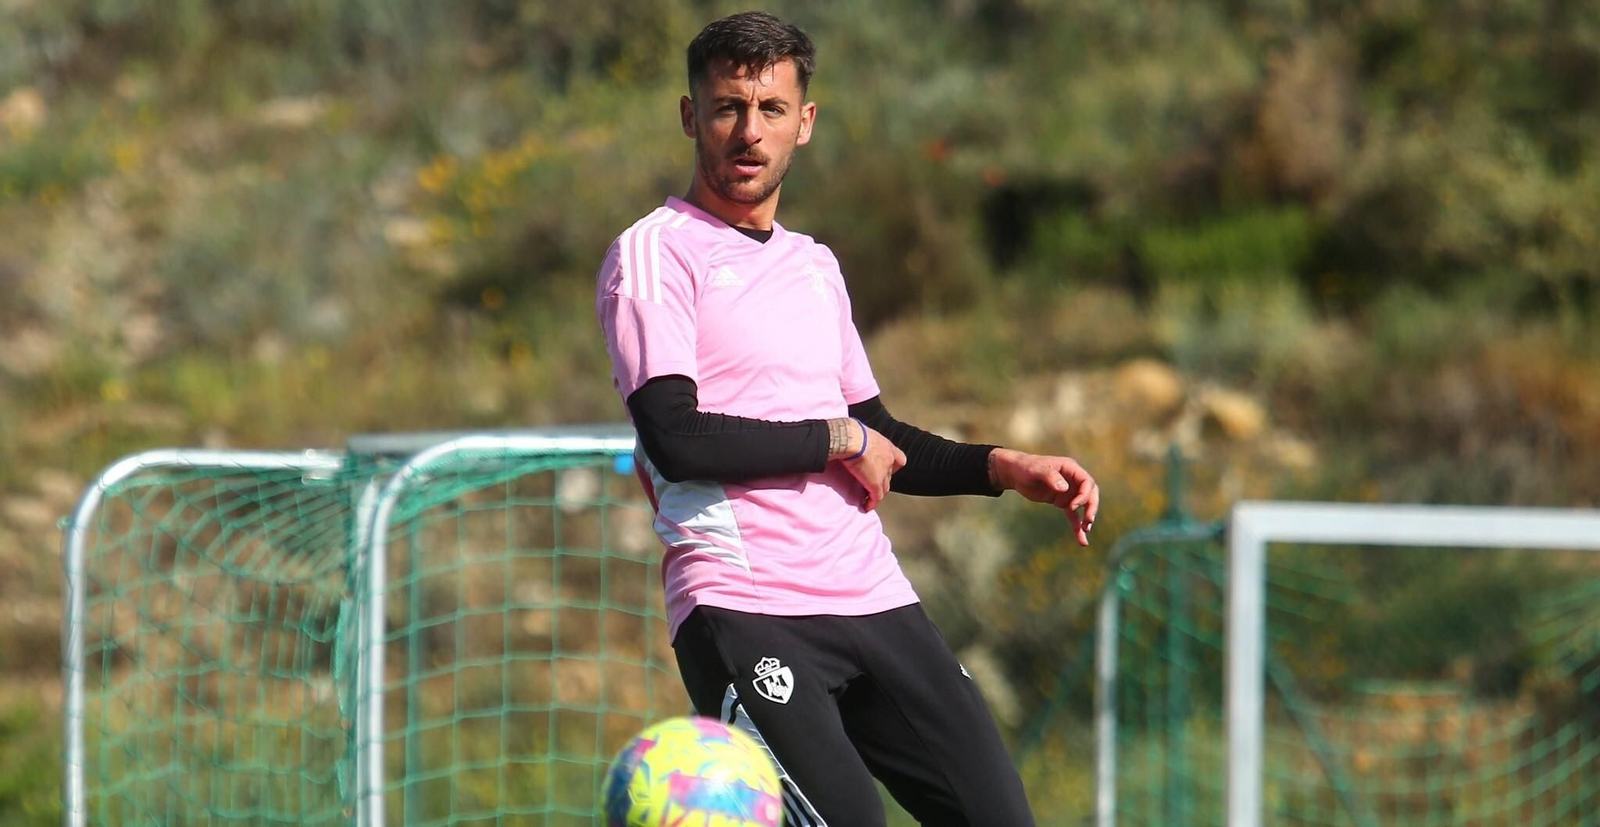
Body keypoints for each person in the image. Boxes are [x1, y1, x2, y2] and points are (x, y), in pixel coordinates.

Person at [594, 11, 1099, 826]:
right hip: (743, 604)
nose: (747, 131)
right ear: (691, 117)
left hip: (871, 595)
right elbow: (676, 439)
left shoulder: (815, 267)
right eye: (726, 107)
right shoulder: (656, 253)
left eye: (770, 110)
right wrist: (838, 438)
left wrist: (1003, 467)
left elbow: (878, 433)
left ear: (806, 123)